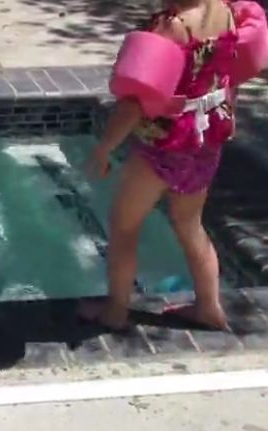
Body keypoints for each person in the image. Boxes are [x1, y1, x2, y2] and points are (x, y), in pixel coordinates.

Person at [81, 0, 240, 332]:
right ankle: (209, 308)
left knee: (124, 228)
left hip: (164, 148)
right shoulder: (224, 11)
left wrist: (104, 149)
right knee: (190, 225)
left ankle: (115, 312)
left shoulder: (169, 26)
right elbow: (228, 74)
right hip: (205, 141)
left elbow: (134, 104)